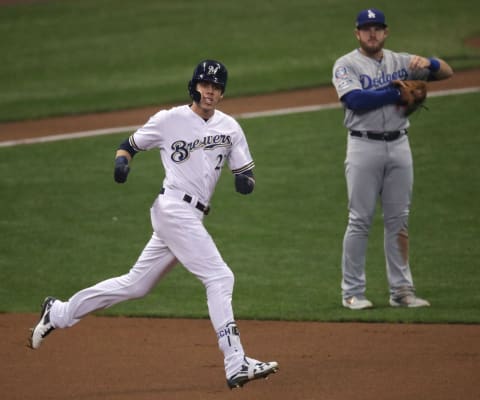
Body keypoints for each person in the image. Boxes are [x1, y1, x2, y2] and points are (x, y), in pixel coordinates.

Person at [29, 59, 279, 388]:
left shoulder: (230, 128)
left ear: (222, 92)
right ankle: (235, 361)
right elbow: (128, 146)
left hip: (190, 215)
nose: (210, 91)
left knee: (136, 284)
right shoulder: (169, 120)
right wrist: (122, 165)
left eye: (216, 87)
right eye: (205, 84)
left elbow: (244, 171)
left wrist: (246, 182)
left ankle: (59, 312)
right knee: (220, 276)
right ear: (194, 85)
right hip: (173, 209)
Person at [332, 9, 453, 310]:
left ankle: (401, 292)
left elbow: (447, 72)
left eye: (377, 28)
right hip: (363, 147)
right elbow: (355, 101)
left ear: (385, 33)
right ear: (357, 34)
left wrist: (430, 63)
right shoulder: (346, 64)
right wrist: (394, 92)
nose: (371, 33)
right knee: (359, 220)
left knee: (399, 221)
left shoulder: (402, 62)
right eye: (366, 29)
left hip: (400, 145)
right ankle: (352, 292)